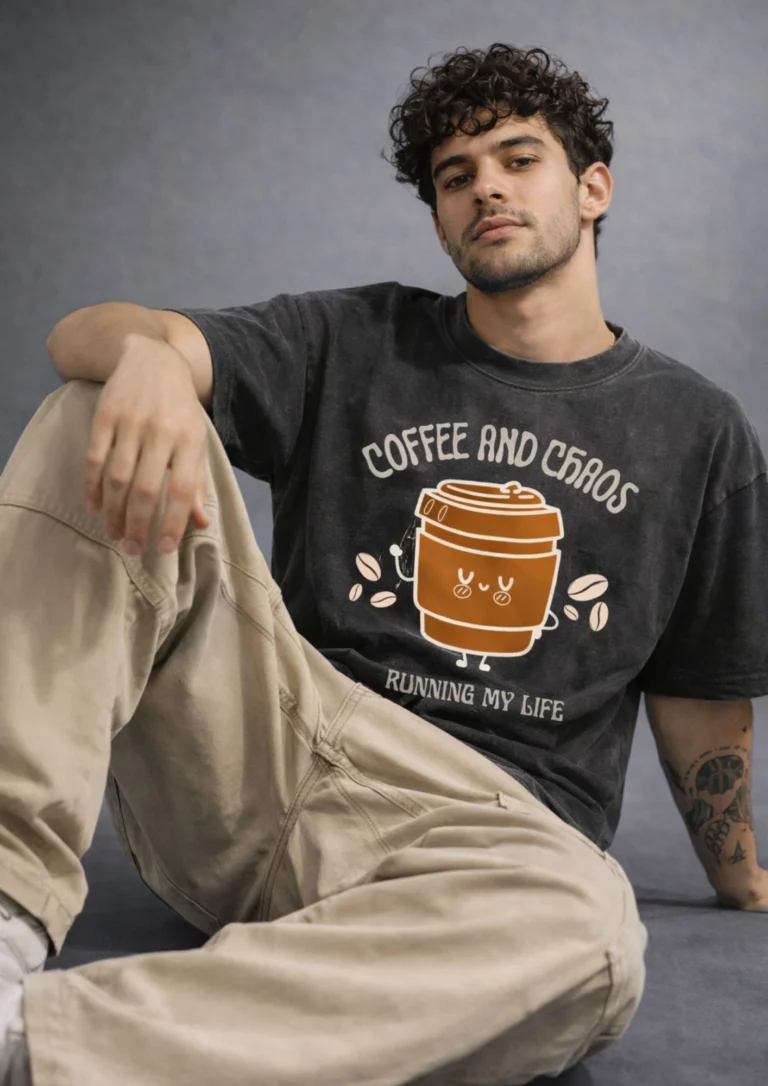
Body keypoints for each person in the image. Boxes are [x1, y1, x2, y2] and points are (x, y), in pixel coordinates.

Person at [1, 39, 766, 1086]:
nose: (485, 186)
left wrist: (739, 873)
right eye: (456, 177)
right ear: (441, 215)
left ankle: (39, 1044)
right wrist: (148, 357)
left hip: (482, 839)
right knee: (102, 405)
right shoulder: (355, 338)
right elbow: (86, 332)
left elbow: (700, 692)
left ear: (593, 187)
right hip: (268, 747)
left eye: (516, 157)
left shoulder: (696, 429)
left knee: (590, 936)